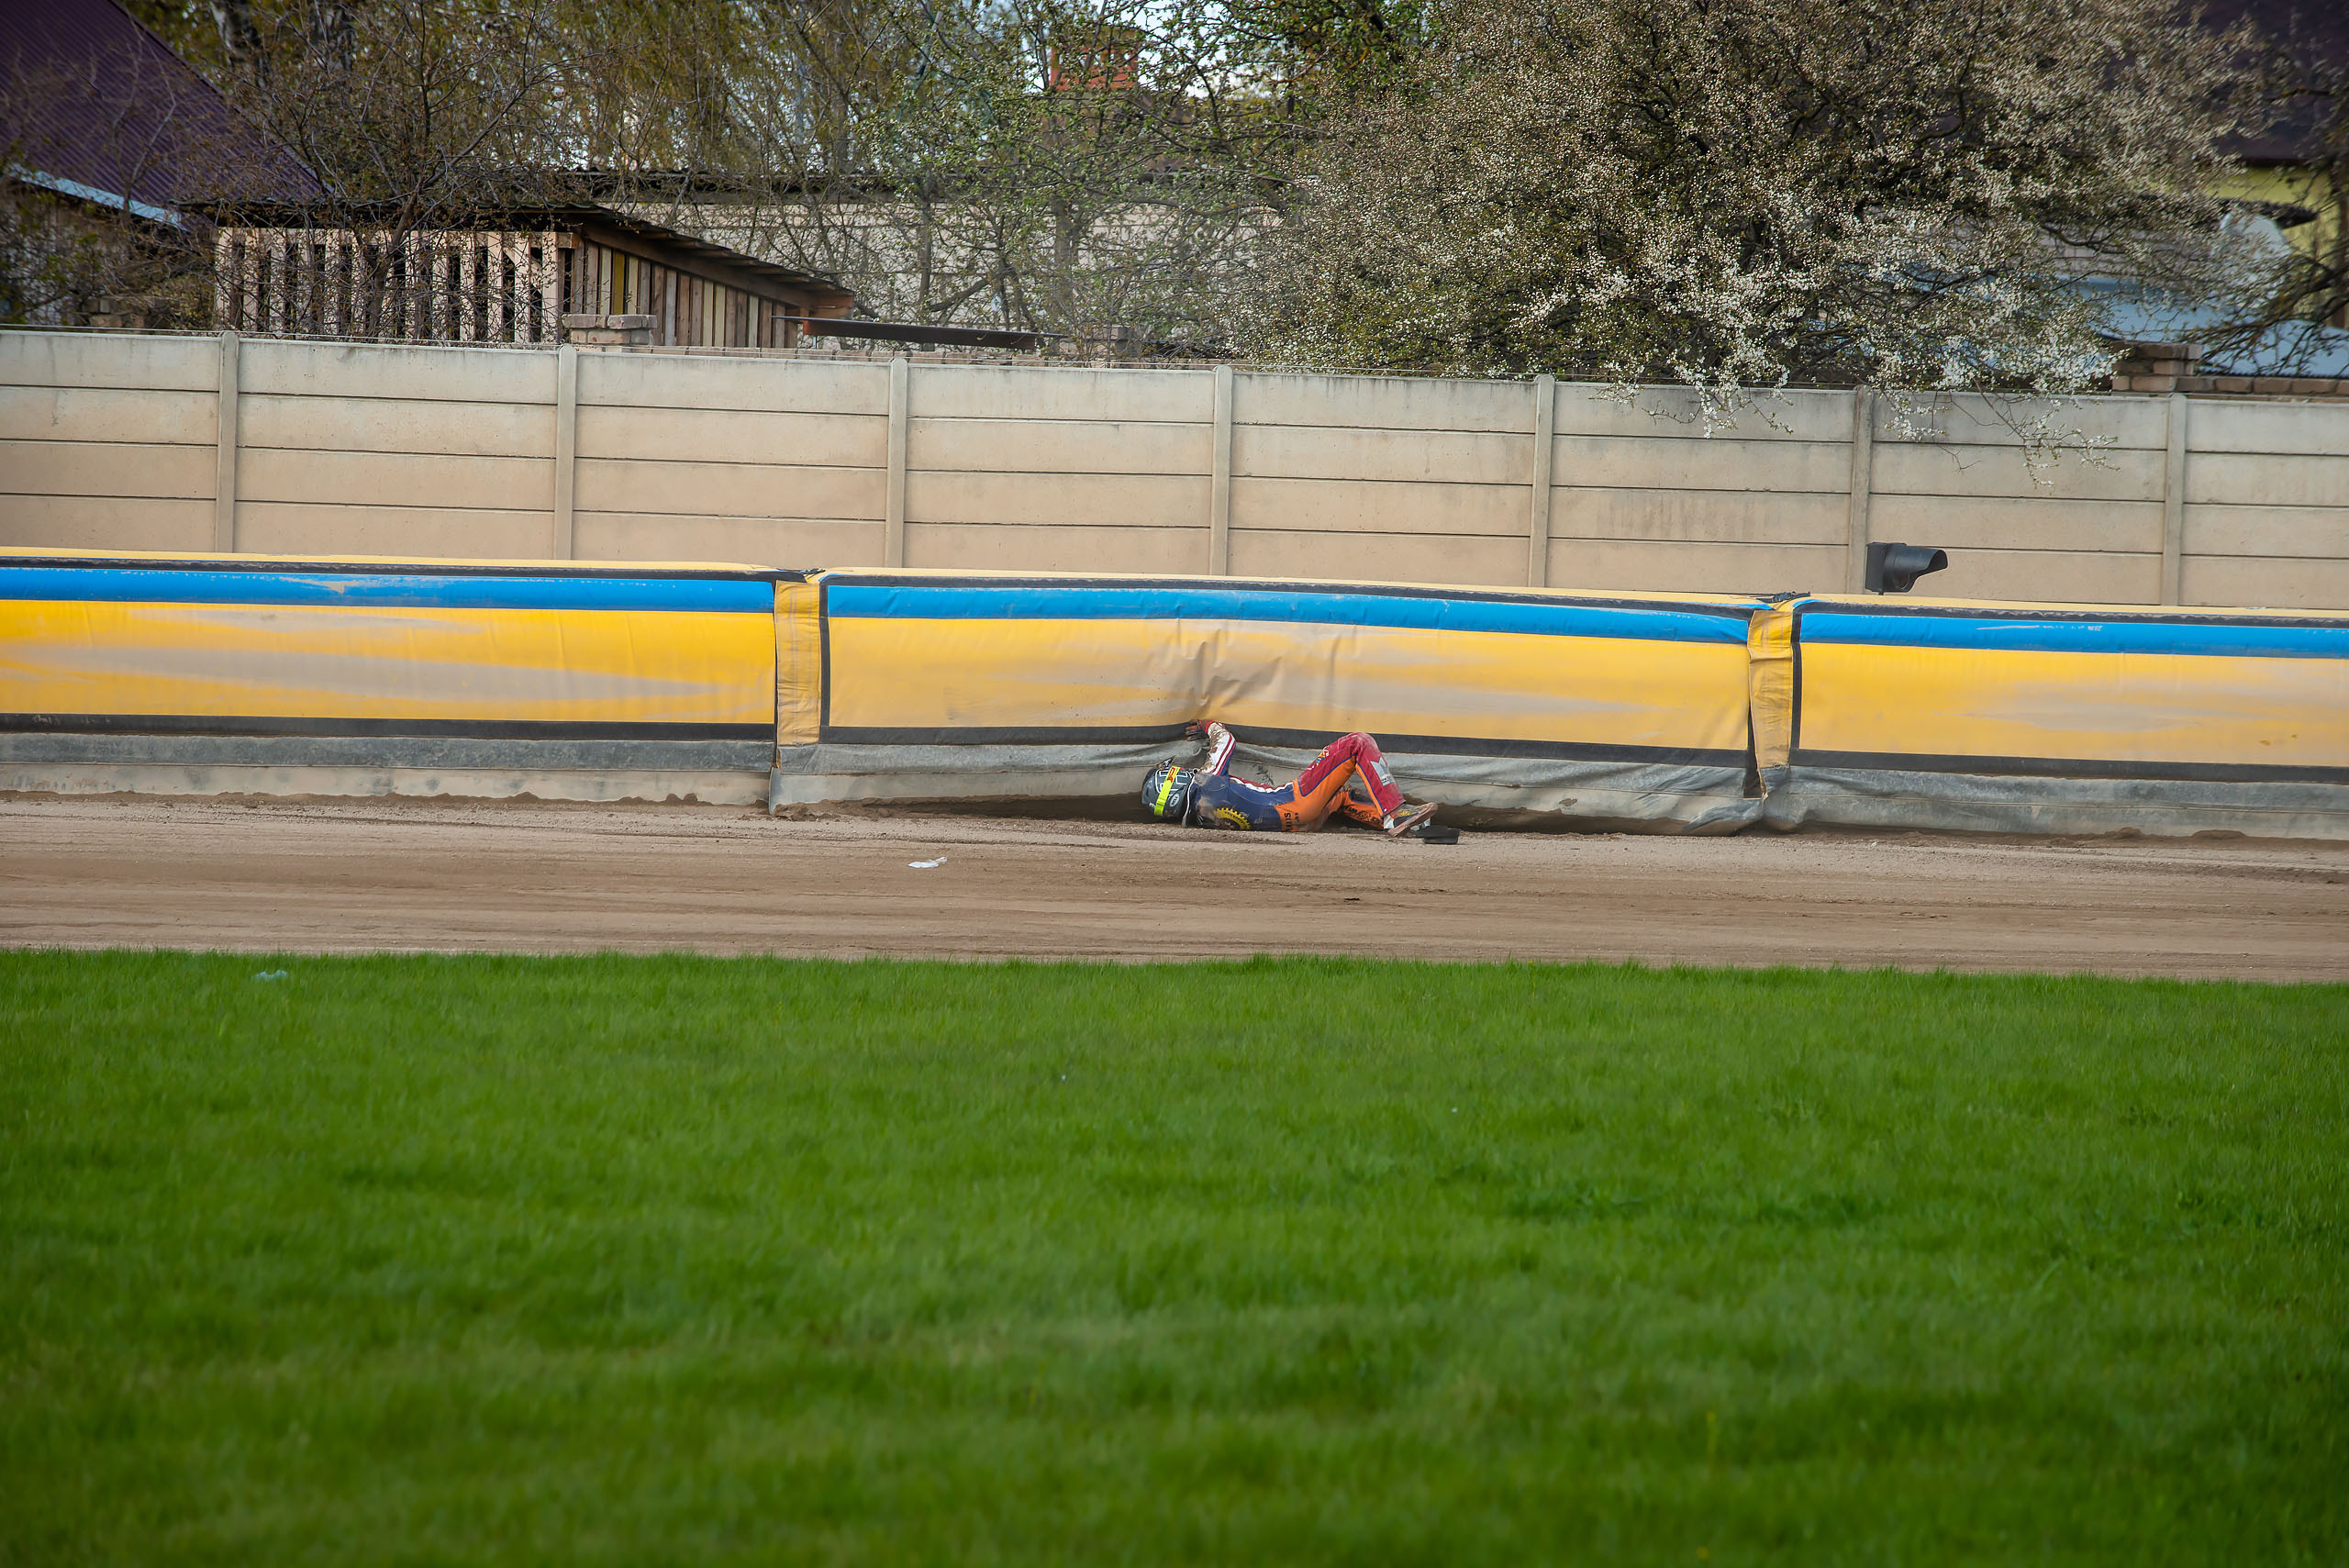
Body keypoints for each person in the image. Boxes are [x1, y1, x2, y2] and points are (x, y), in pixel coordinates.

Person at [1141, 722, 1441, 836]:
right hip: (1293, 798)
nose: (1182, 770)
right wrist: (1209, 725)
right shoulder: (1206, 784)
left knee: (1339, 794)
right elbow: (1226, 741)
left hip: (1294, 825)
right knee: (1357, 743)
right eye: (1175, 772)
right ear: (1174, 783)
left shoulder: (1198, 818)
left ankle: (1415, 827)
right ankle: (1394, 813)